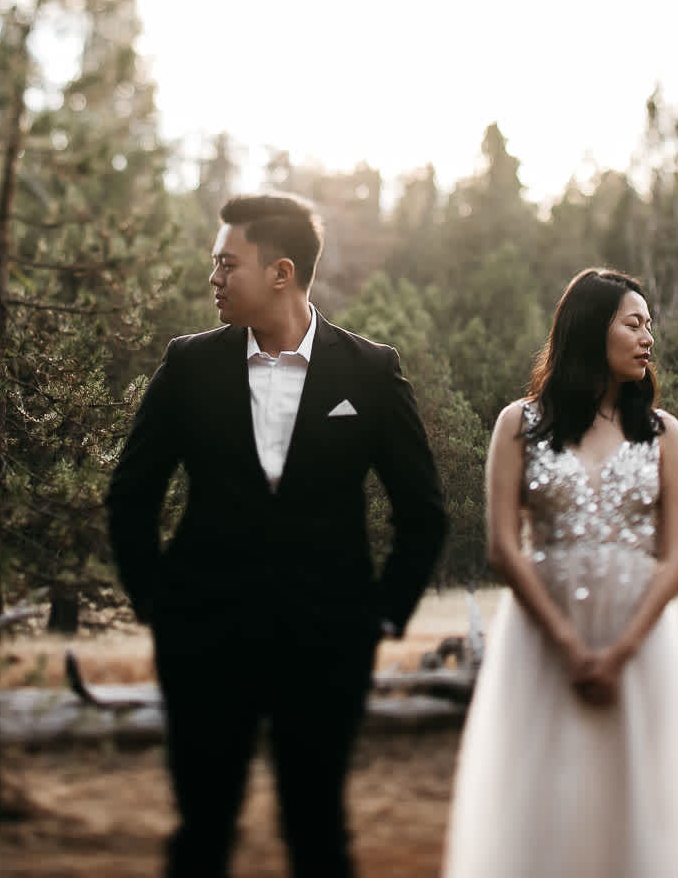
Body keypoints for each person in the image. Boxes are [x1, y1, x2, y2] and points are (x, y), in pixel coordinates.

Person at [107, 192, 447, 878]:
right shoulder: (189, 365)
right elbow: (129, 495)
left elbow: (425, 511)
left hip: (328, 648)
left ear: (281, 272)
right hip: (203, 641)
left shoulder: (370, 373)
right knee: (201, 833)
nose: (214, 279)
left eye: (227, 264)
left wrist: (379, 616)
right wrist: (161, 608)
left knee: (318, 832)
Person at [442, 267, 678, 877]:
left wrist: (619, 650)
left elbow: (676, 558)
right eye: (634, 324)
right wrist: (569, 646)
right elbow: (503, 548)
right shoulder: (517, 425)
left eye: (649, 326)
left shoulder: (664, 435)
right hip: (543, 639)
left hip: (640, 642)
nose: (647, 338)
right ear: (589, 329)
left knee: (641, 796)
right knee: (546, 793)